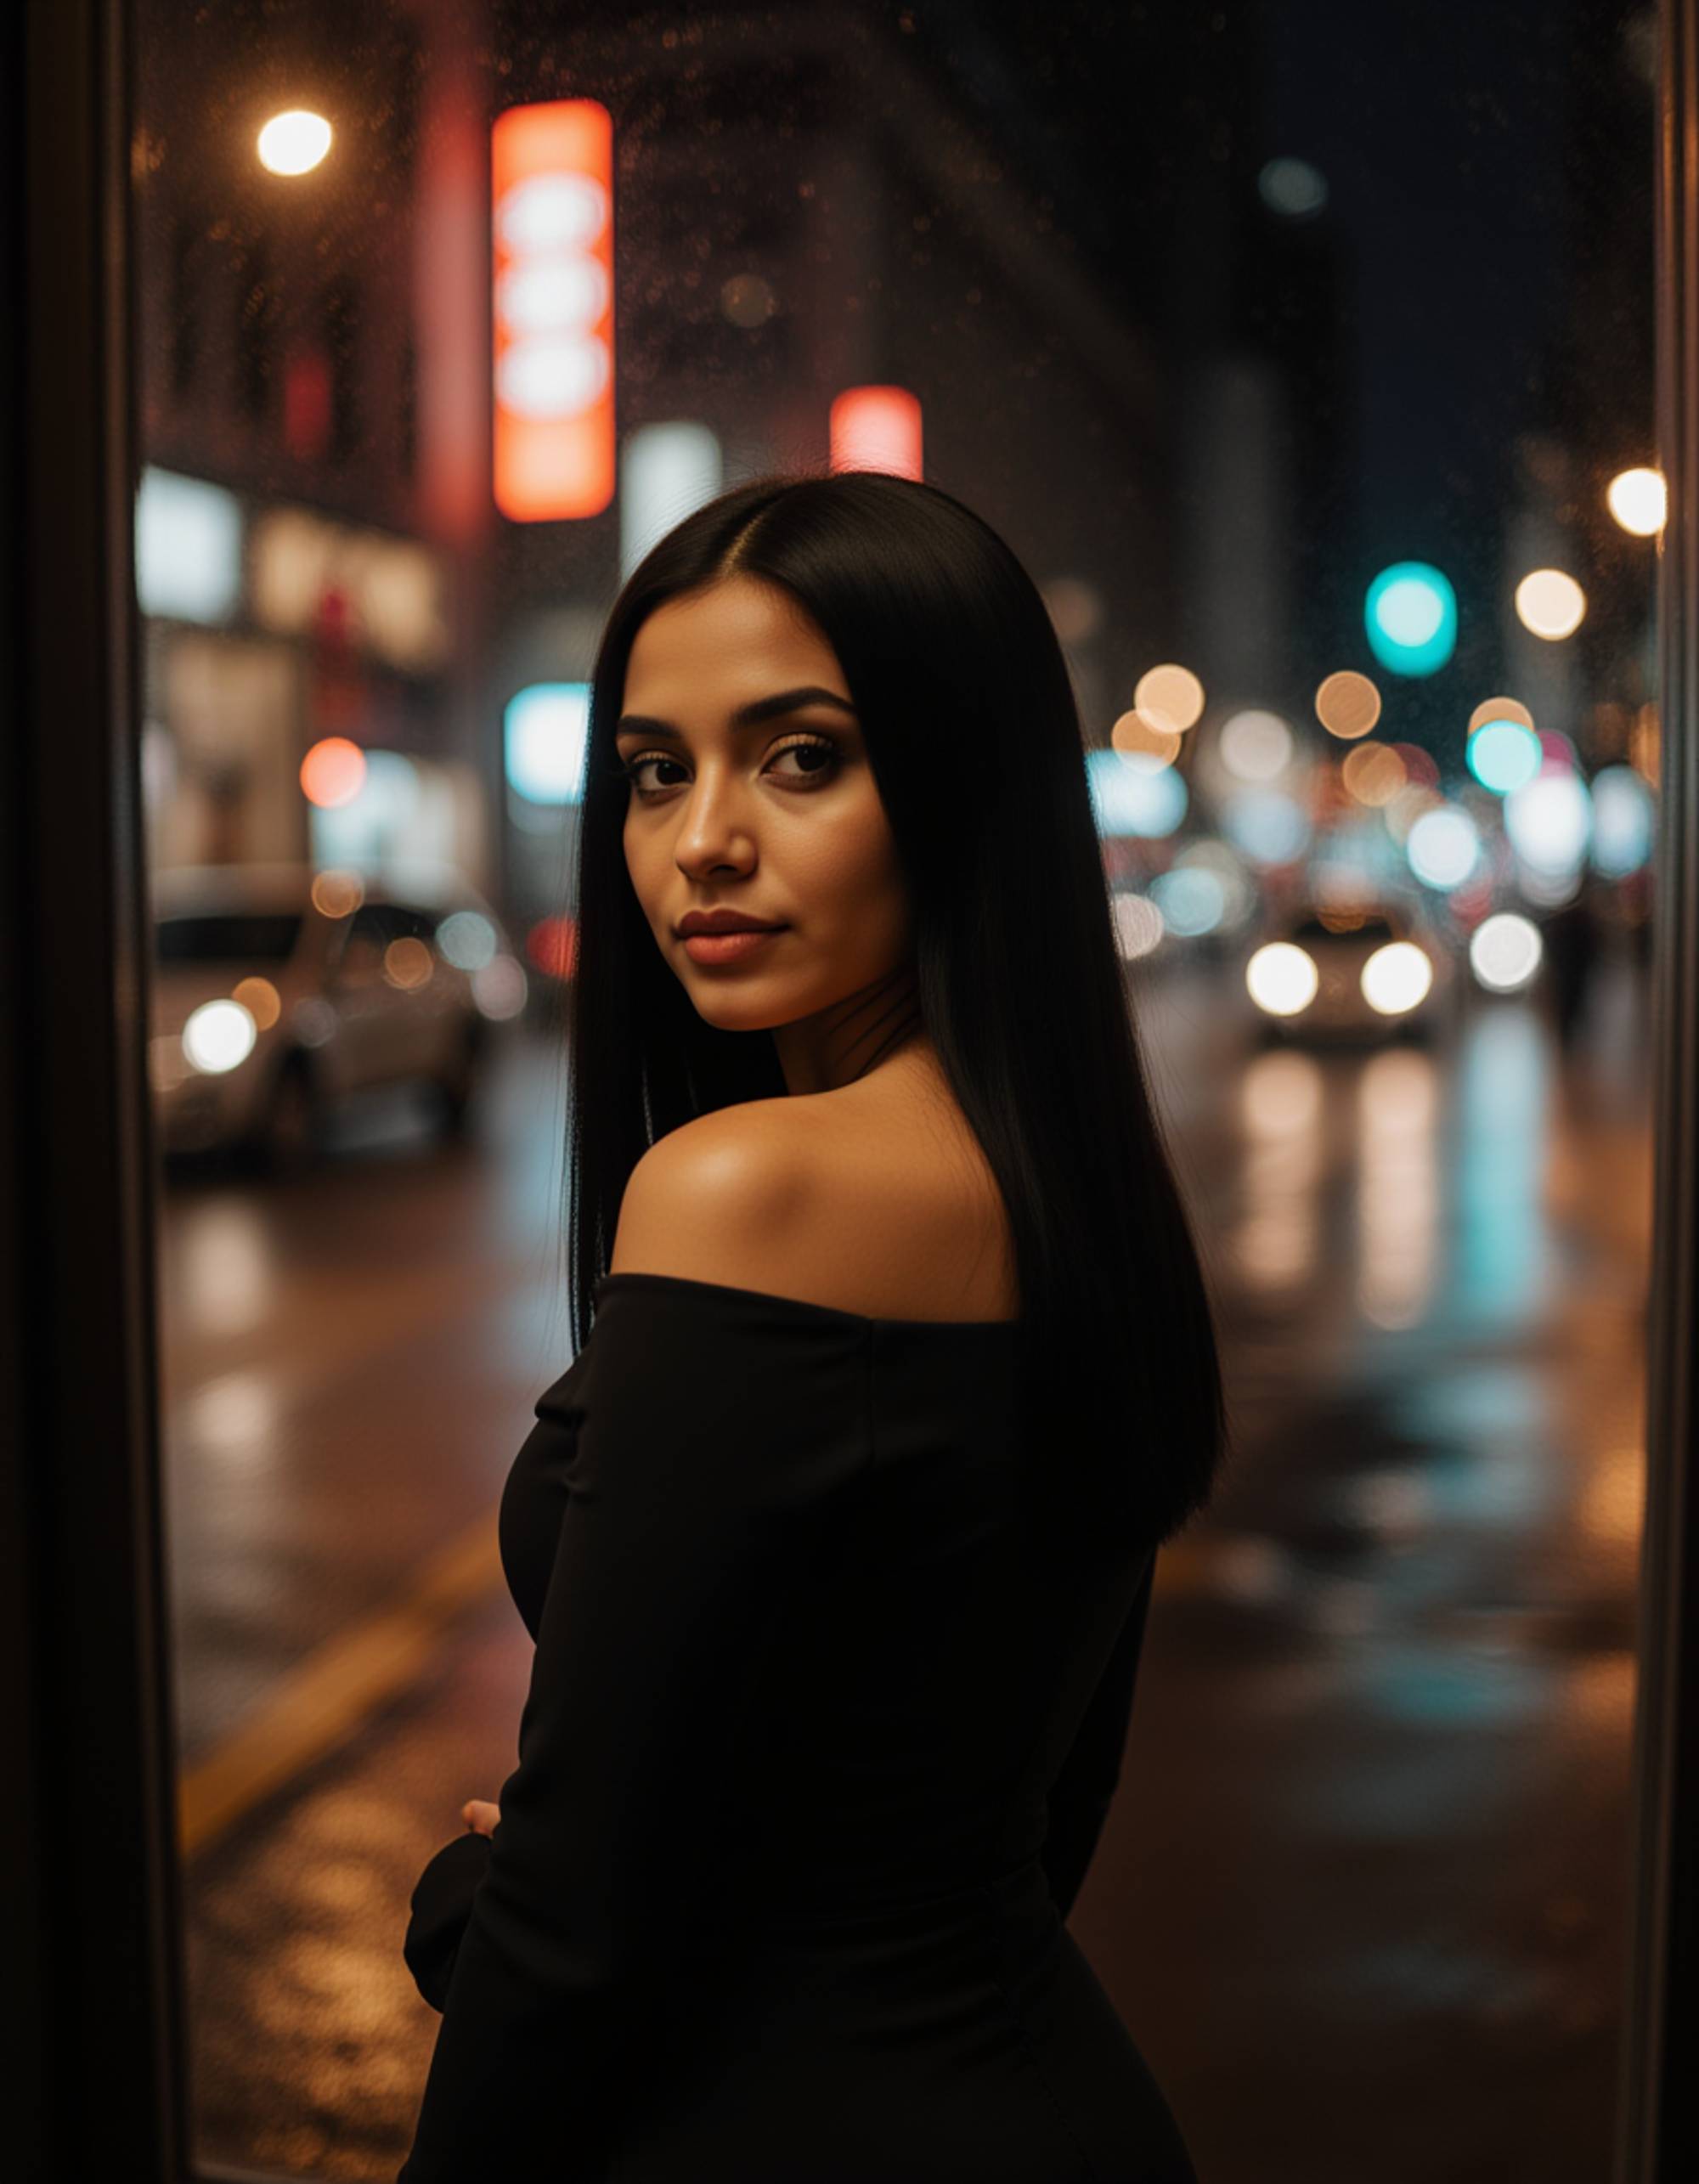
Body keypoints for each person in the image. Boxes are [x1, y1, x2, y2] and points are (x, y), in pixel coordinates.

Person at [396, 469, 1229, 2181]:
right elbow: (1032, 1805)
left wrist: (491, 1903)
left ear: (961, 783)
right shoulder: (1061, 1177)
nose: (701, 835)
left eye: (801, 756)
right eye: (651, 770)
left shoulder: (750, 1188)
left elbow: (571, 1912)